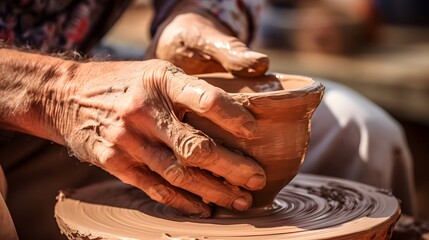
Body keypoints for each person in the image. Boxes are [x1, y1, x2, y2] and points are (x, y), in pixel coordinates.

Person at [0, 0, 416, 239]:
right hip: (27, 88)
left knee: (360, 131)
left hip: (86, 62)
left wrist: (196, 14)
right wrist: (57, 92)